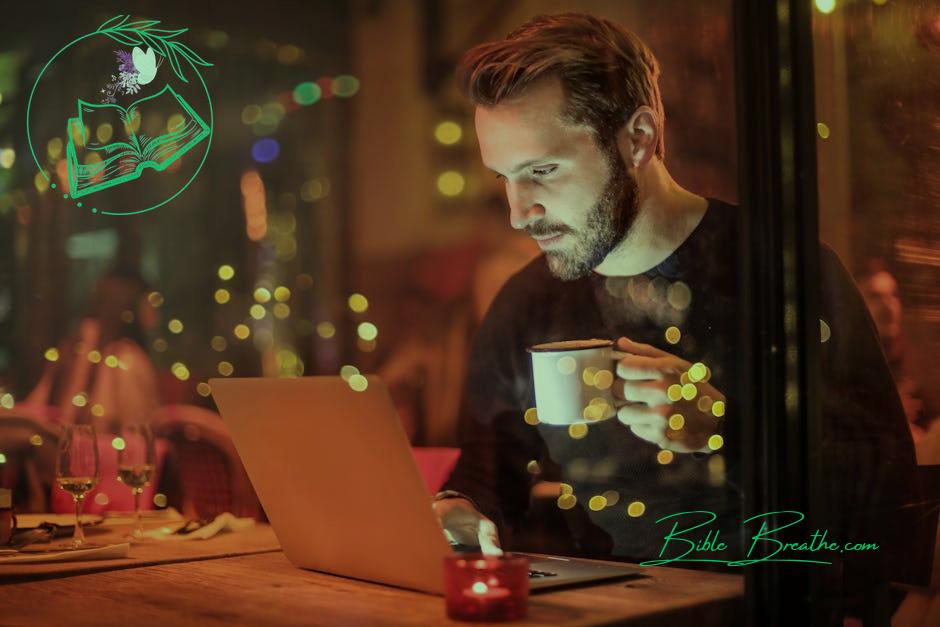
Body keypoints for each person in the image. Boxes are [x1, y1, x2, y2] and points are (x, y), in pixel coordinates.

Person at [431, 12, 920, 622]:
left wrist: (722, 433)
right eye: (504, 177)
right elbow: (488, 472)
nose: (518, 211)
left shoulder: (784, 275)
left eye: (544, 170)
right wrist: (455, 508)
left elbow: (883, 505)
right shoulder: (528, 302)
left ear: (637, 138)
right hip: (602, 615)